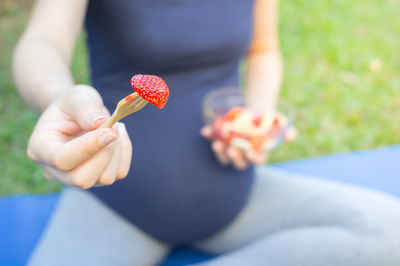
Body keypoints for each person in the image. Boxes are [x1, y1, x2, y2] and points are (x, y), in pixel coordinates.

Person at [12, 0, 400, 265]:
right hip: (113, 202)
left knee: (388, 231)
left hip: (235, 197)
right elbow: (42, 43)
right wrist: (59, 95)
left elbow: (263, 49)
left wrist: (256, 120)